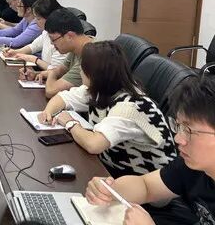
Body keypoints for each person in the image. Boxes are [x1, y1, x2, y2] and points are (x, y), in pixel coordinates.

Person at [85, 77, 215, 225]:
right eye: (179, 126)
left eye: (189, 130)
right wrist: (111, 190)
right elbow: (146, 186)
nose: (178, 138)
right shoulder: (191, 166)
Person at [39, 41, 176, 178]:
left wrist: (70, 123)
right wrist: (48, 112)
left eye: (83, 69)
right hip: (112, 167)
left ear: (94, 74)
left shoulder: (130, 107)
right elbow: (63, 97)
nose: (80, 72)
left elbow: (93, 145)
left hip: (145, 180)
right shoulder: (100, 88)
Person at [23, 8, 94, 98]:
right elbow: (61, 70)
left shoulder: (89, 56)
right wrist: (37, 74)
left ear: (69, 36)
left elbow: (51, 91)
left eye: (53, 39)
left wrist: (51, 73)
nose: (52, 44)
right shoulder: (77, 46)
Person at [3, 0, 67, 70]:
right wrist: (16, 52)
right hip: (45, 73)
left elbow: (56, 71)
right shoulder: (46, 32)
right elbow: (34, 46)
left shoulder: (62, 38)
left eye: (38, 18)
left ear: (50, 18)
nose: (35, 21)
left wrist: (35, 60)